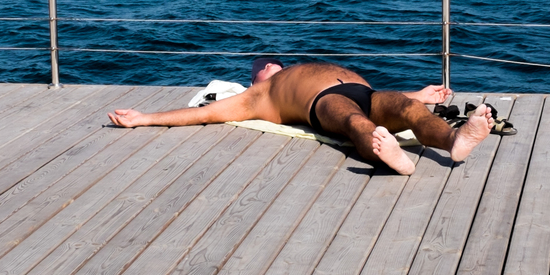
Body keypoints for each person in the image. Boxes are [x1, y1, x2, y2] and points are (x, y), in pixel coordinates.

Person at [107, 58, 494, 176]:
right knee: (355, 123)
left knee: (409, 109)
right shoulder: (256, 96)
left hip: (369, 93)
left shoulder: (281, 72)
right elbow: (205, 115)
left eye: (274, 62)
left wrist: (418, 94)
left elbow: (405, 100)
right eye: (264, 66)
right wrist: (144, 118)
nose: (271, 65)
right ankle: (391, 159)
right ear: (255, 77)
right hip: (323, 102)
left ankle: (454, 143)